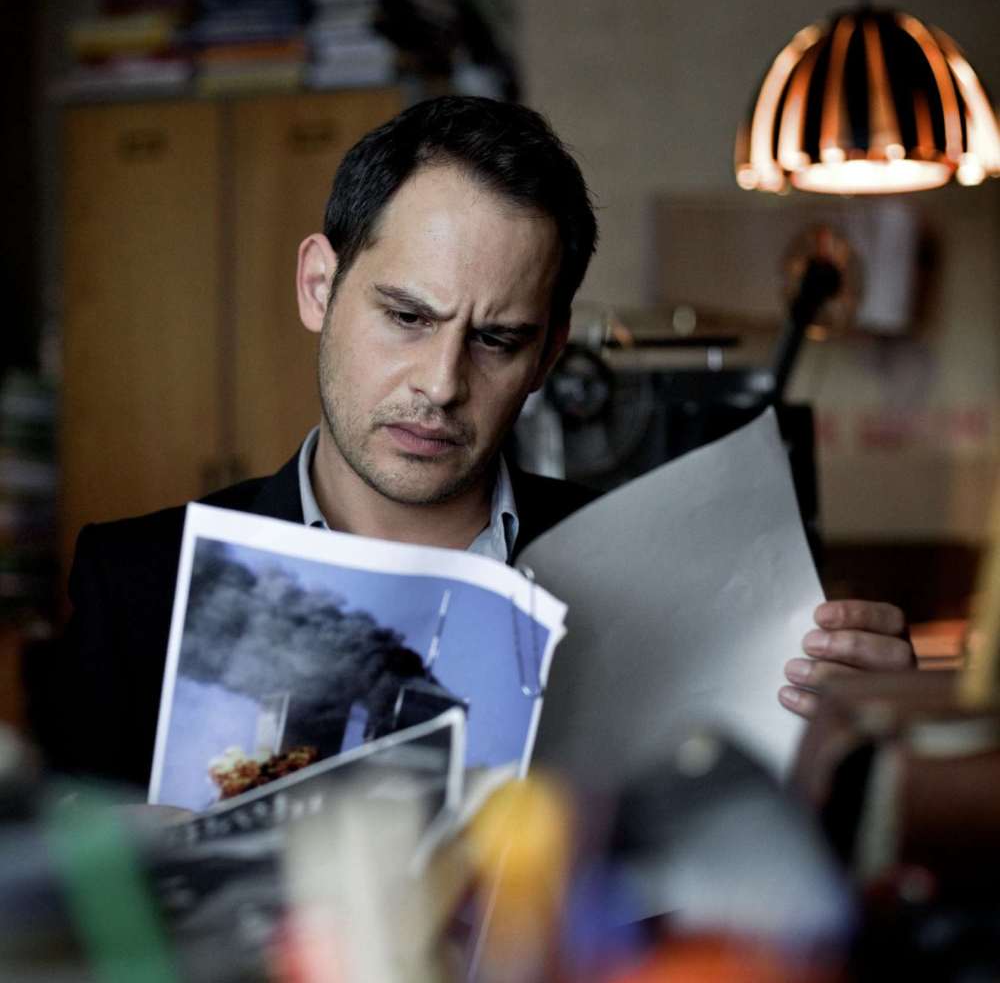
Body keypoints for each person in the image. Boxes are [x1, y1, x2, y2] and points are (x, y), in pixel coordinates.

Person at [31, 96, 913, 788]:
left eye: (496, 339)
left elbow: (758, 882)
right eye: (407, 316)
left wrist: (862, 737)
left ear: (548, 356)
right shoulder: (137, 586)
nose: (442, 383)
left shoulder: (655, 581)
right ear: (318, 287)